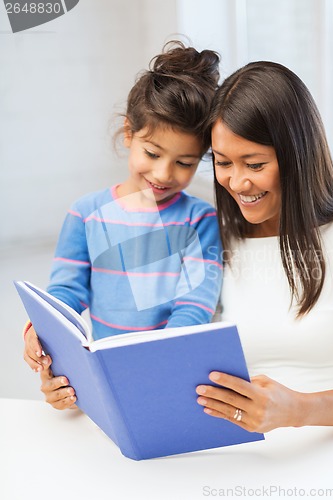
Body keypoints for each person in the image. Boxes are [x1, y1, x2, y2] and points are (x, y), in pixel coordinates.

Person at [196, 61, 333, 432]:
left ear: (298, 155)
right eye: (223, 162)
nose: (237, 181)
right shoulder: (217, 239)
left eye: (254, 163)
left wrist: (297, 410)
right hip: (244, 458)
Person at [23, 41, 223, 410]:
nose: (164, 174)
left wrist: (160, 358)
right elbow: (66, 292)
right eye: (152, 153)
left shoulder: (200, 219)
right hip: (107, 371)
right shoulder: (85, 213)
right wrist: (44, 330)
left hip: (171, 369)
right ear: (129, 133)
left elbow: (195, 303)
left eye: (185, 162)